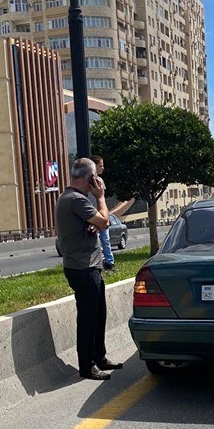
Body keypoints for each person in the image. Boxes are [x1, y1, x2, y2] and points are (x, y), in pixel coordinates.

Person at [54, 157, 123, 381]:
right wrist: (101, 197)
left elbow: (97, 223)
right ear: (92, 178)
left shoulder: (75, 199)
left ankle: (99, 357)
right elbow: (106, 222)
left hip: (89, 266)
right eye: (97, 177)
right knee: (87, 318)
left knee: (98, 314)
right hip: (82, 269)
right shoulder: (75, 199)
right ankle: (88, 365)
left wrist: (94, 222)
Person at [91, 155, 115, 270]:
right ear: (93, 166)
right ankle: (99, 262)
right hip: (92, 214)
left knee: (105, 239)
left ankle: (109, 262)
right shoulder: (87, 182)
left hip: (101, 213)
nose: (103, 168)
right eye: (100, 166)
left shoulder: (100, 181)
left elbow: (102, 199)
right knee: (97, 240)